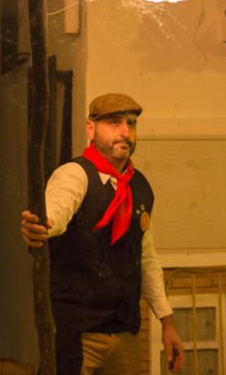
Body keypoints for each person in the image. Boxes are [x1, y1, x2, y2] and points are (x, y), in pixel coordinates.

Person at [21, 93, 185, 374]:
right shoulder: (75, 174)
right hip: (78, 334)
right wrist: (41, 226)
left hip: (124, 334)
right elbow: (56, 210)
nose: (125, 131)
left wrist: (167, 321)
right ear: (90, 128)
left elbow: (146, 259)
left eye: (131, 123)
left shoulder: (140, 187)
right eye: (113, 122)